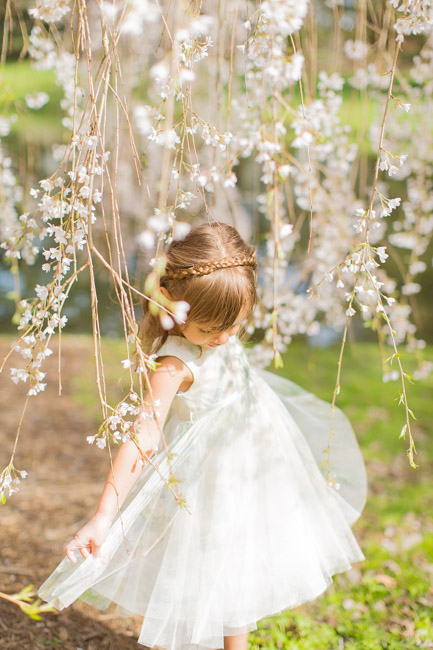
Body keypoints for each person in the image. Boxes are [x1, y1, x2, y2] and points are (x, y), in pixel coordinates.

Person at [38, 221, 367, 650]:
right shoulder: (174, 363)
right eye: (212, 330)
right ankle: (168, 640)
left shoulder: (219, 331)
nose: (226, 338)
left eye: (235, 325)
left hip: (252, 466)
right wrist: (105, 512)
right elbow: (144, 432)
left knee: (239, 568)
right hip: (207, 483)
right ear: (176, 311)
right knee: (199, 565)